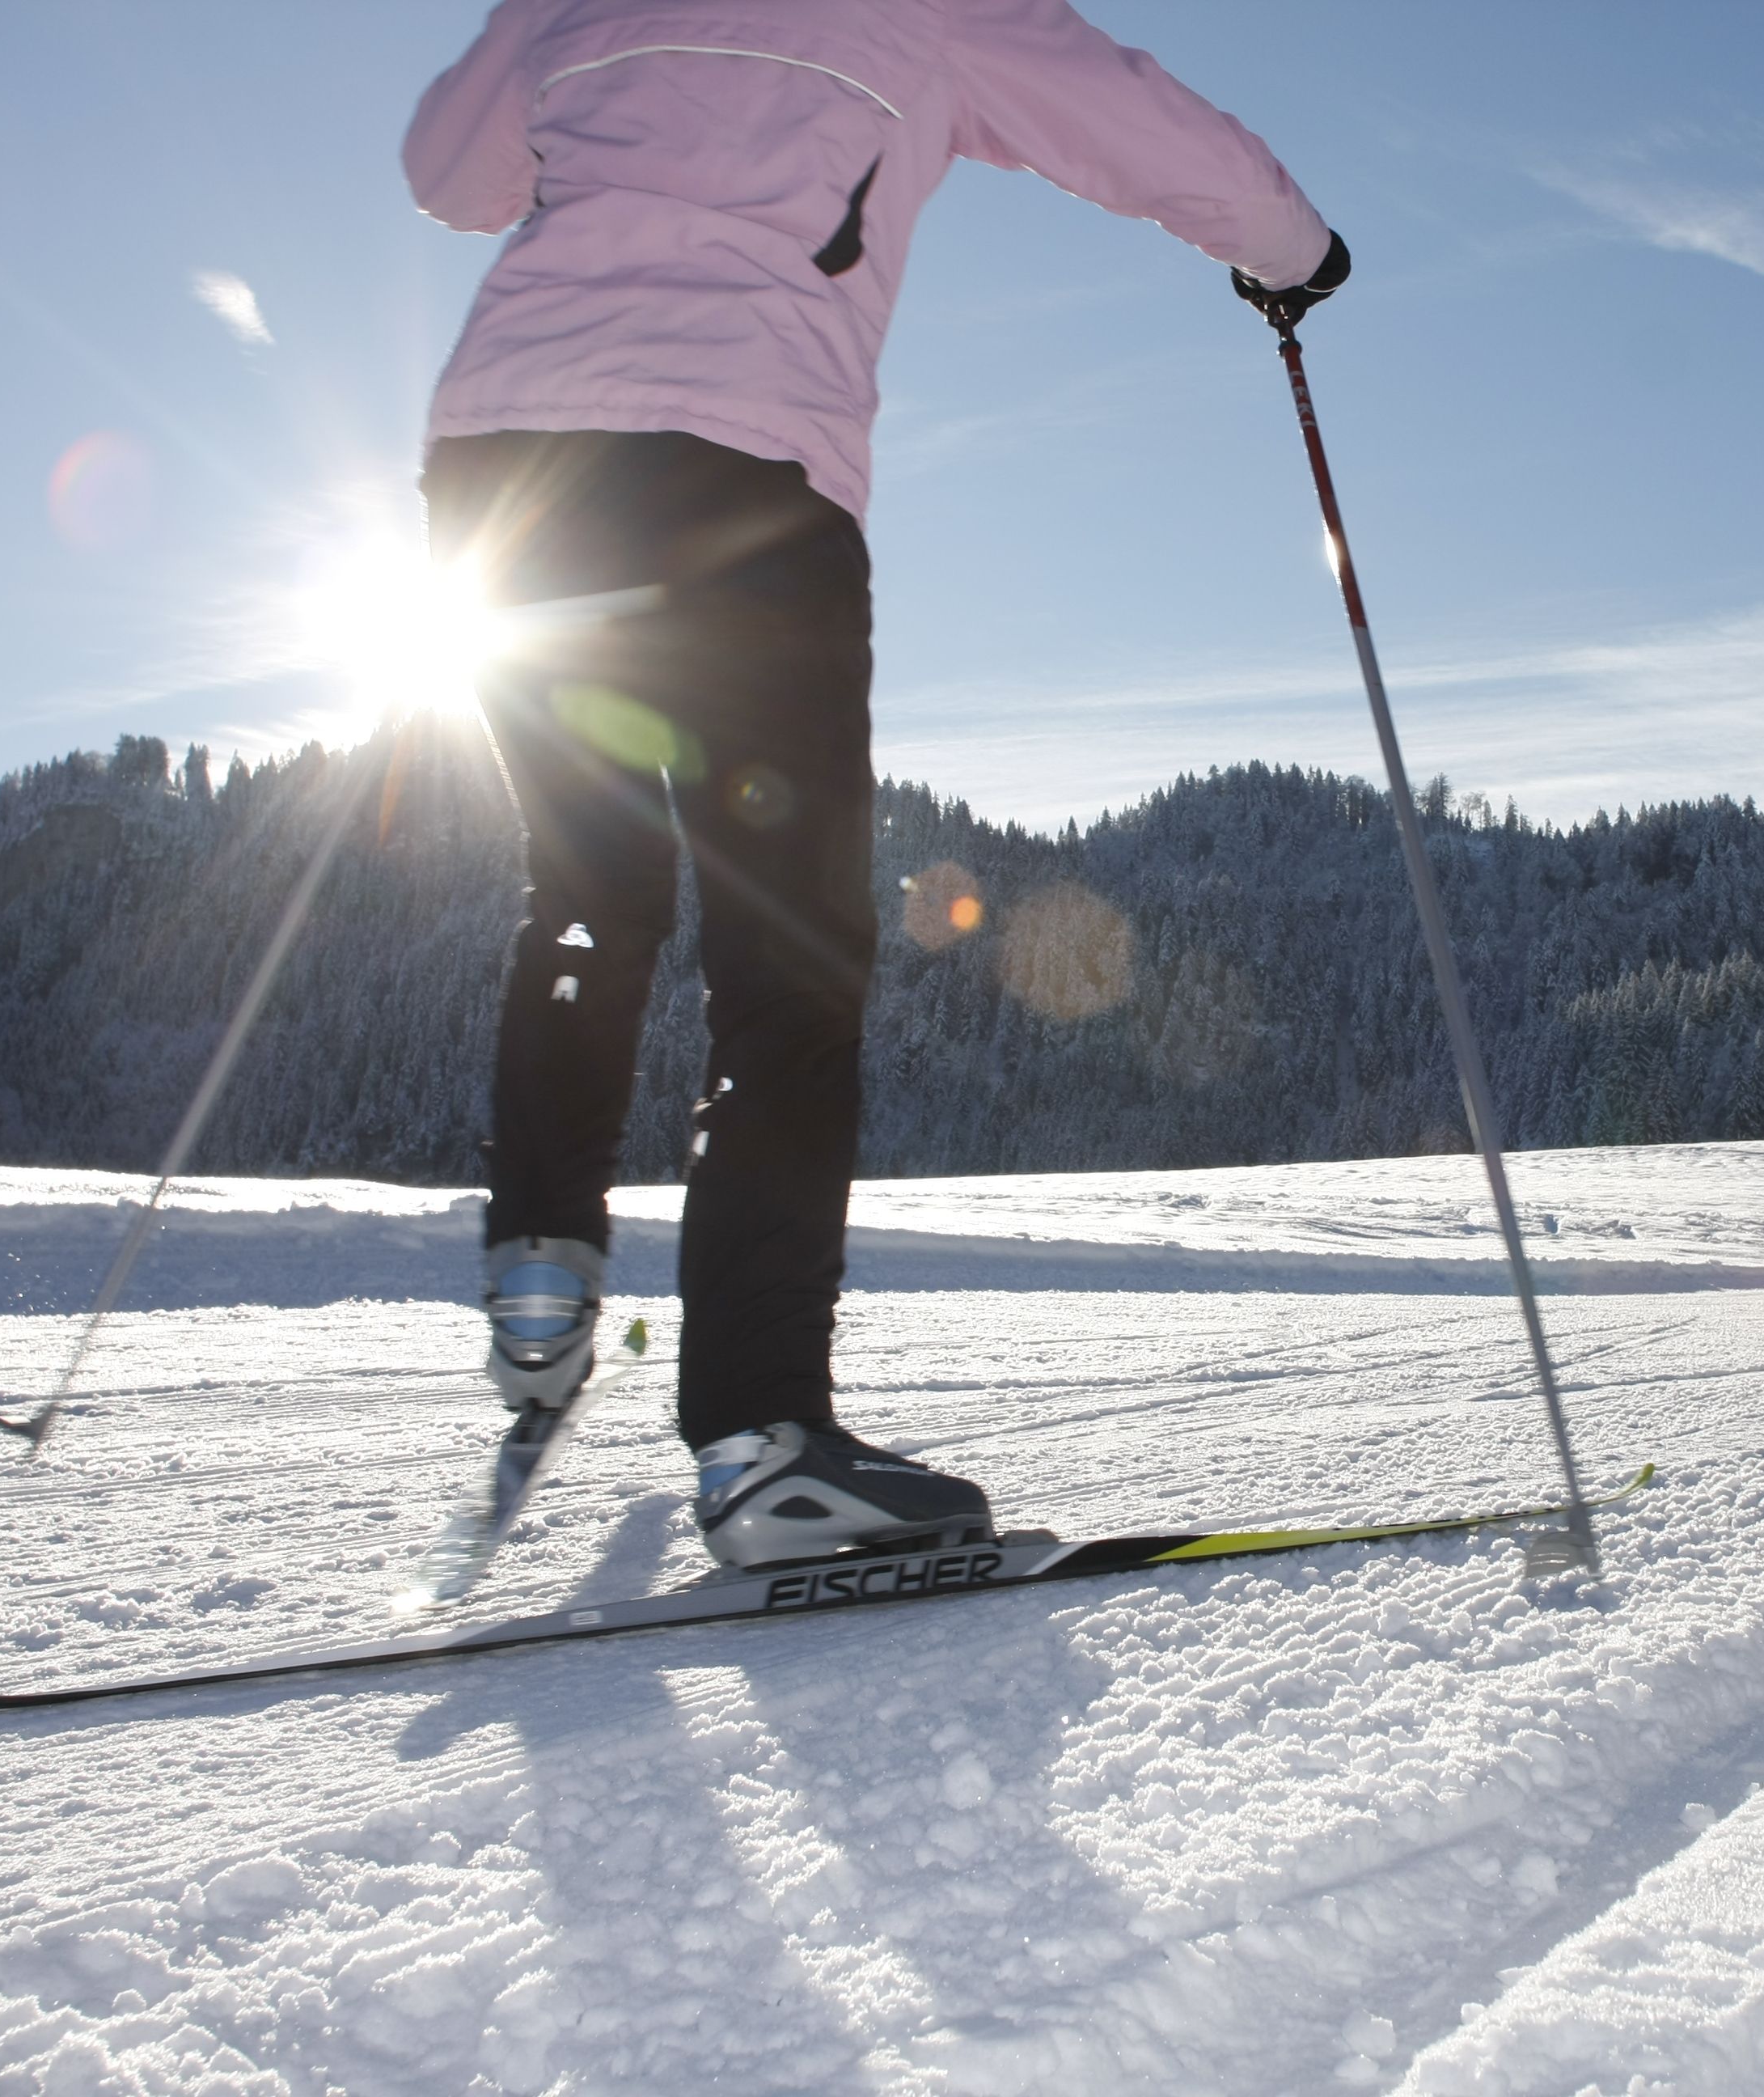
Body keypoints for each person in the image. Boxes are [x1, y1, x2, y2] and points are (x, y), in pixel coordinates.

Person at [405, 0, 1350, 1570]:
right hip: (743, 486)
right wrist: (1290, 248)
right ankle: (762, 1434)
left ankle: (539, 1276)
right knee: (784, 960)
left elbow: (451, 174)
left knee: (586, 892)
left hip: (508, 472)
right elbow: (1132, 122)